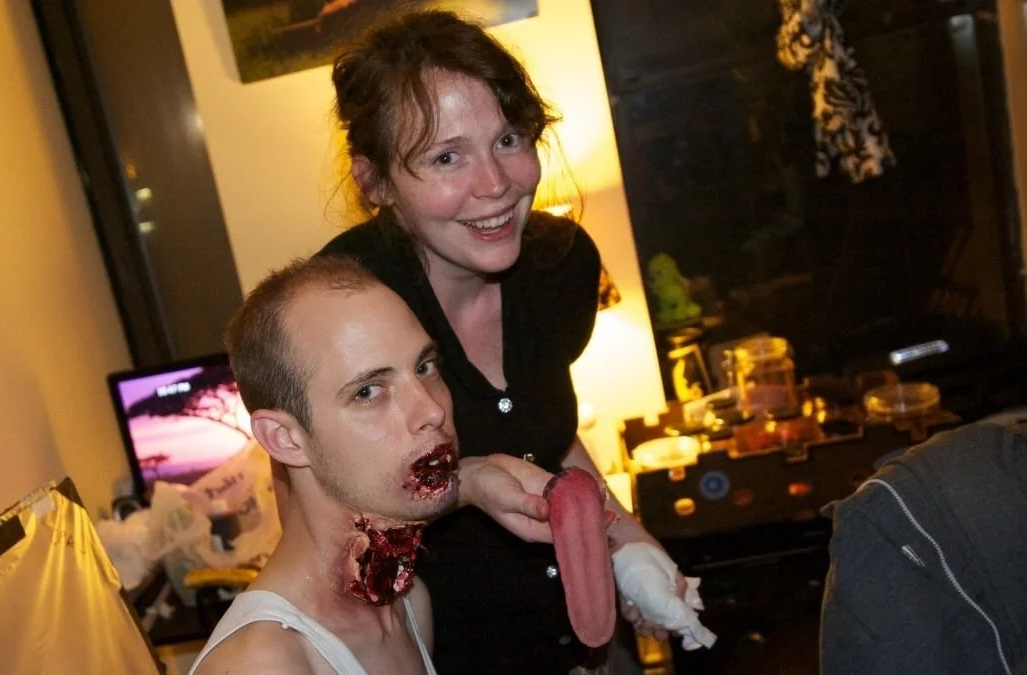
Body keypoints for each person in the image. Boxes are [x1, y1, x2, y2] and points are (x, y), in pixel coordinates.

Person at [319, 10, 708, 673]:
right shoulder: (340, 310)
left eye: (507, 139)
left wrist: (629, 545)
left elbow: (548, 439)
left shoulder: (560, 266)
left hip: (591, 649)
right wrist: (461, 484)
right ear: (374, 180)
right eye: (447, 157)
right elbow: (325, 538)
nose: (496, 185)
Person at [190, 255, 561, 675]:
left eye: (425, 367)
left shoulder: (406, 604)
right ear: (285, 439)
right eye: (368, 392)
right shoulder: (263, 664)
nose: (432, 410)